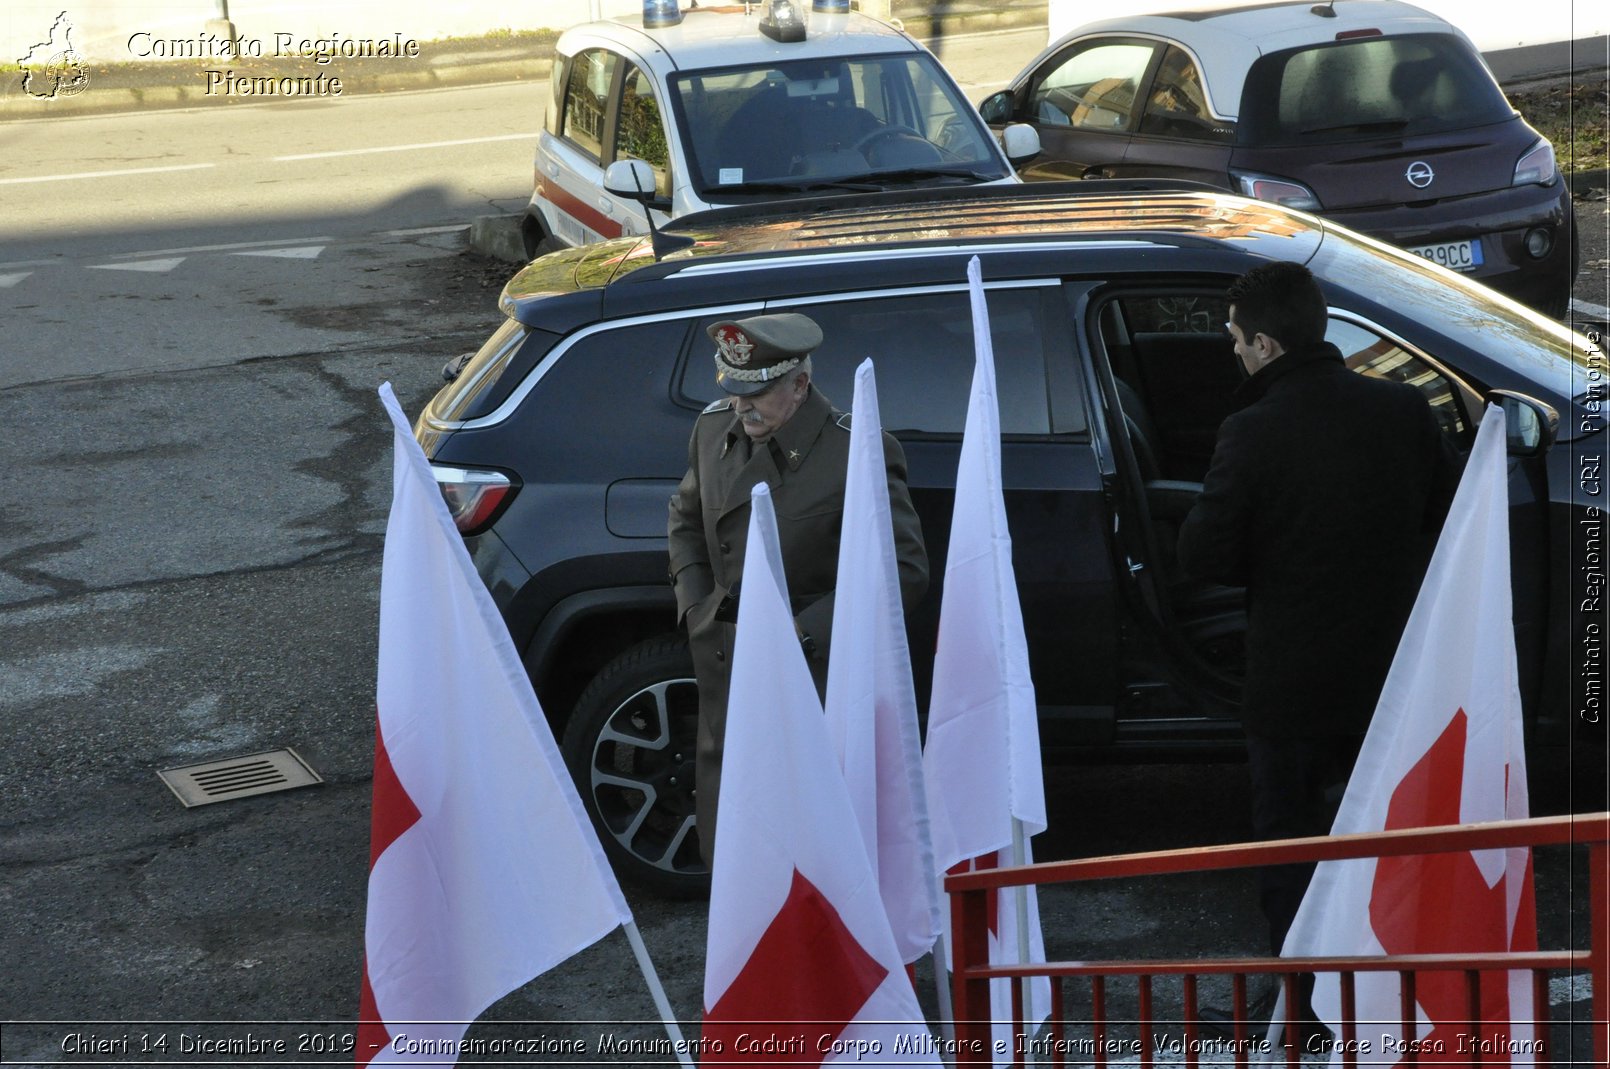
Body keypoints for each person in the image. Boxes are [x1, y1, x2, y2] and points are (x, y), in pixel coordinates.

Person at [1176, 262, 1456, 1037]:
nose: (1233, 355)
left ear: (1264, 342)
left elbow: (1204, 558)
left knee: (1291, 855)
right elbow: (1443, 510)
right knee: (1384, 844)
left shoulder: (1251, 430)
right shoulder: (1403, 409)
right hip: (1392, 681)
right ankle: (1394, 1005)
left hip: (1291, 692)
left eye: (1236, 341)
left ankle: (1302, 1013)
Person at [667, 312, 928, 864]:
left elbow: (902, 570)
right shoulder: (714, 429)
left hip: (815, 686)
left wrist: (802, 633)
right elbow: (686, 519)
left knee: (814, 861)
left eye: (756, 393)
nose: (741, 406)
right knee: (740, 858)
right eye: (734, 391)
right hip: (729, 680)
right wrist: (697, 606)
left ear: (800, 385)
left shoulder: (857, 450)